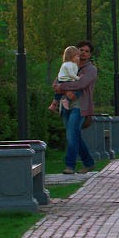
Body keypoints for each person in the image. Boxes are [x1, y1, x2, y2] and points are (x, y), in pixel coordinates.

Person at [52, 40, 98, 175]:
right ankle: (88, 163)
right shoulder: (68, 65)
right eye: (81, 50)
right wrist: (60, 88)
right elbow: (56, 83)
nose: (83, 53)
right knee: (73, 135)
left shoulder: (91, 69)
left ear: (90, 55)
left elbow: (81, 84)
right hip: (65, 105)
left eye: (87, 51)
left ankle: (70, 166)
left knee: (72, 134)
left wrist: (62, 87)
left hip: (80, 105)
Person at [49, 46, 80, 116]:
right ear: (71, 56)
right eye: (77, 56)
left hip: (62, 80)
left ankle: (54, 104)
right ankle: (66, 100)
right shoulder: (69, 64)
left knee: (59, 93)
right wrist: (78, 78)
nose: (78, 58)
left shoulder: (69, 64)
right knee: (78, 90)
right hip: (66, 80)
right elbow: (71, 74)